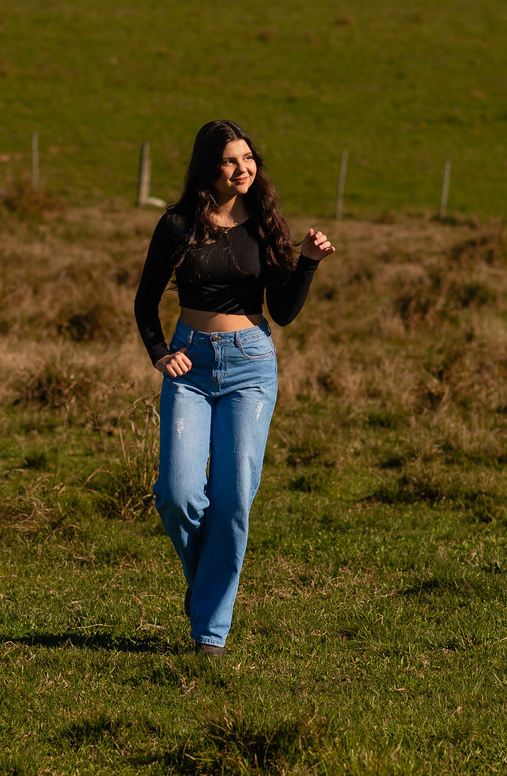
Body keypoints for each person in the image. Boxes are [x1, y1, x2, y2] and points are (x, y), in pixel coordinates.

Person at [133, 120, 334, 657]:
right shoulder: (177, 225)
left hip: (251, 366)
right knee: (176, 495)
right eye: (230, 160)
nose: (243, 168)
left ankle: (209, 633)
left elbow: (284, 312)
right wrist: (159, 352)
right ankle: (206, 589)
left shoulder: (264, 223)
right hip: (190, 365)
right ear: (208, 167)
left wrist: (309, 263)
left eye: (248, 158)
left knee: (234, 500)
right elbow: (145, 299)